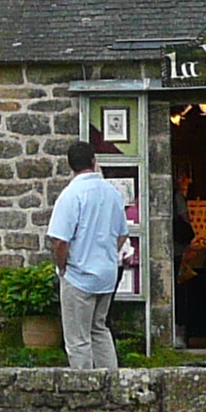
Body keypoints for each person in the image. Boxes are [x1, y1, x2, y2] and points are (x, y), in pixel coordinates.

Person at [44, 138, 129, 370]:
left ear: (70, 165)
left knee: (78, 339)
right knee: (99, 329)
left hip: (79, 275)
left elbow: (60, 240)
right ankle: (112, 382)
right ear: (94, 161)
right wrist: (108, 253)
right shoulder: (112, 193)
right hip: (107, 274)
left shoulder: (71, 195)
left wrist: (63, 267)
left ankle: (85, 391)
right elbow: (122, 234)